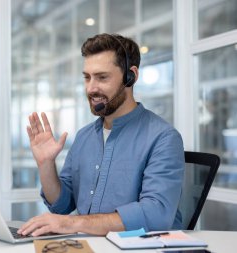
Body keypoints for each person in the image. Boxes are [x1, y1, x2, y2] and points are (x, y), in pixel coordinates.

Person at [17, 33, 185, 236]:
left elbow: (157, 215)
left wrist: (72, 224)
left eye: (102, 77)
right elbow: (61, 206)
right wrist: (45, 165)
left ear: (130, 76)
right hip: (89, 246)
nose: (91, 88)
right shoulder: (84, 137)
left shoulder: (163, 138)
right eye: (87, 77)